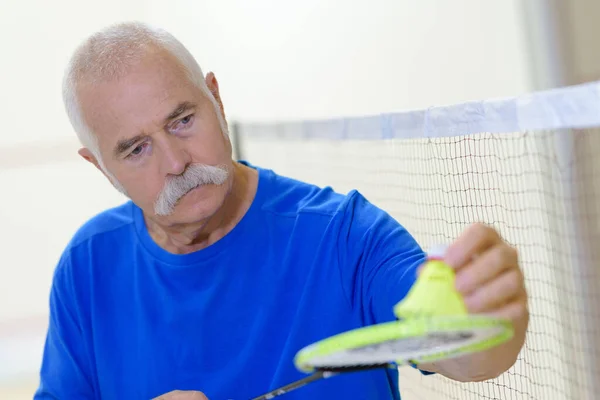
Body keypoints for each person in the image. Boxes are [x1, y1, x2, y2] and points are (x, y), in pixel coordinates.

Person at [34, 21, 529, 400]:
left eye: (182, 120)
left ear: (216, 98)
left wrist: (487, 319)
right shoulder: (87, 266)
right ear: (99, 167)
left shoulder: (342, 235)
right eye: (136, 149)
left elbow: (468, 354)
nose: (176, 162)